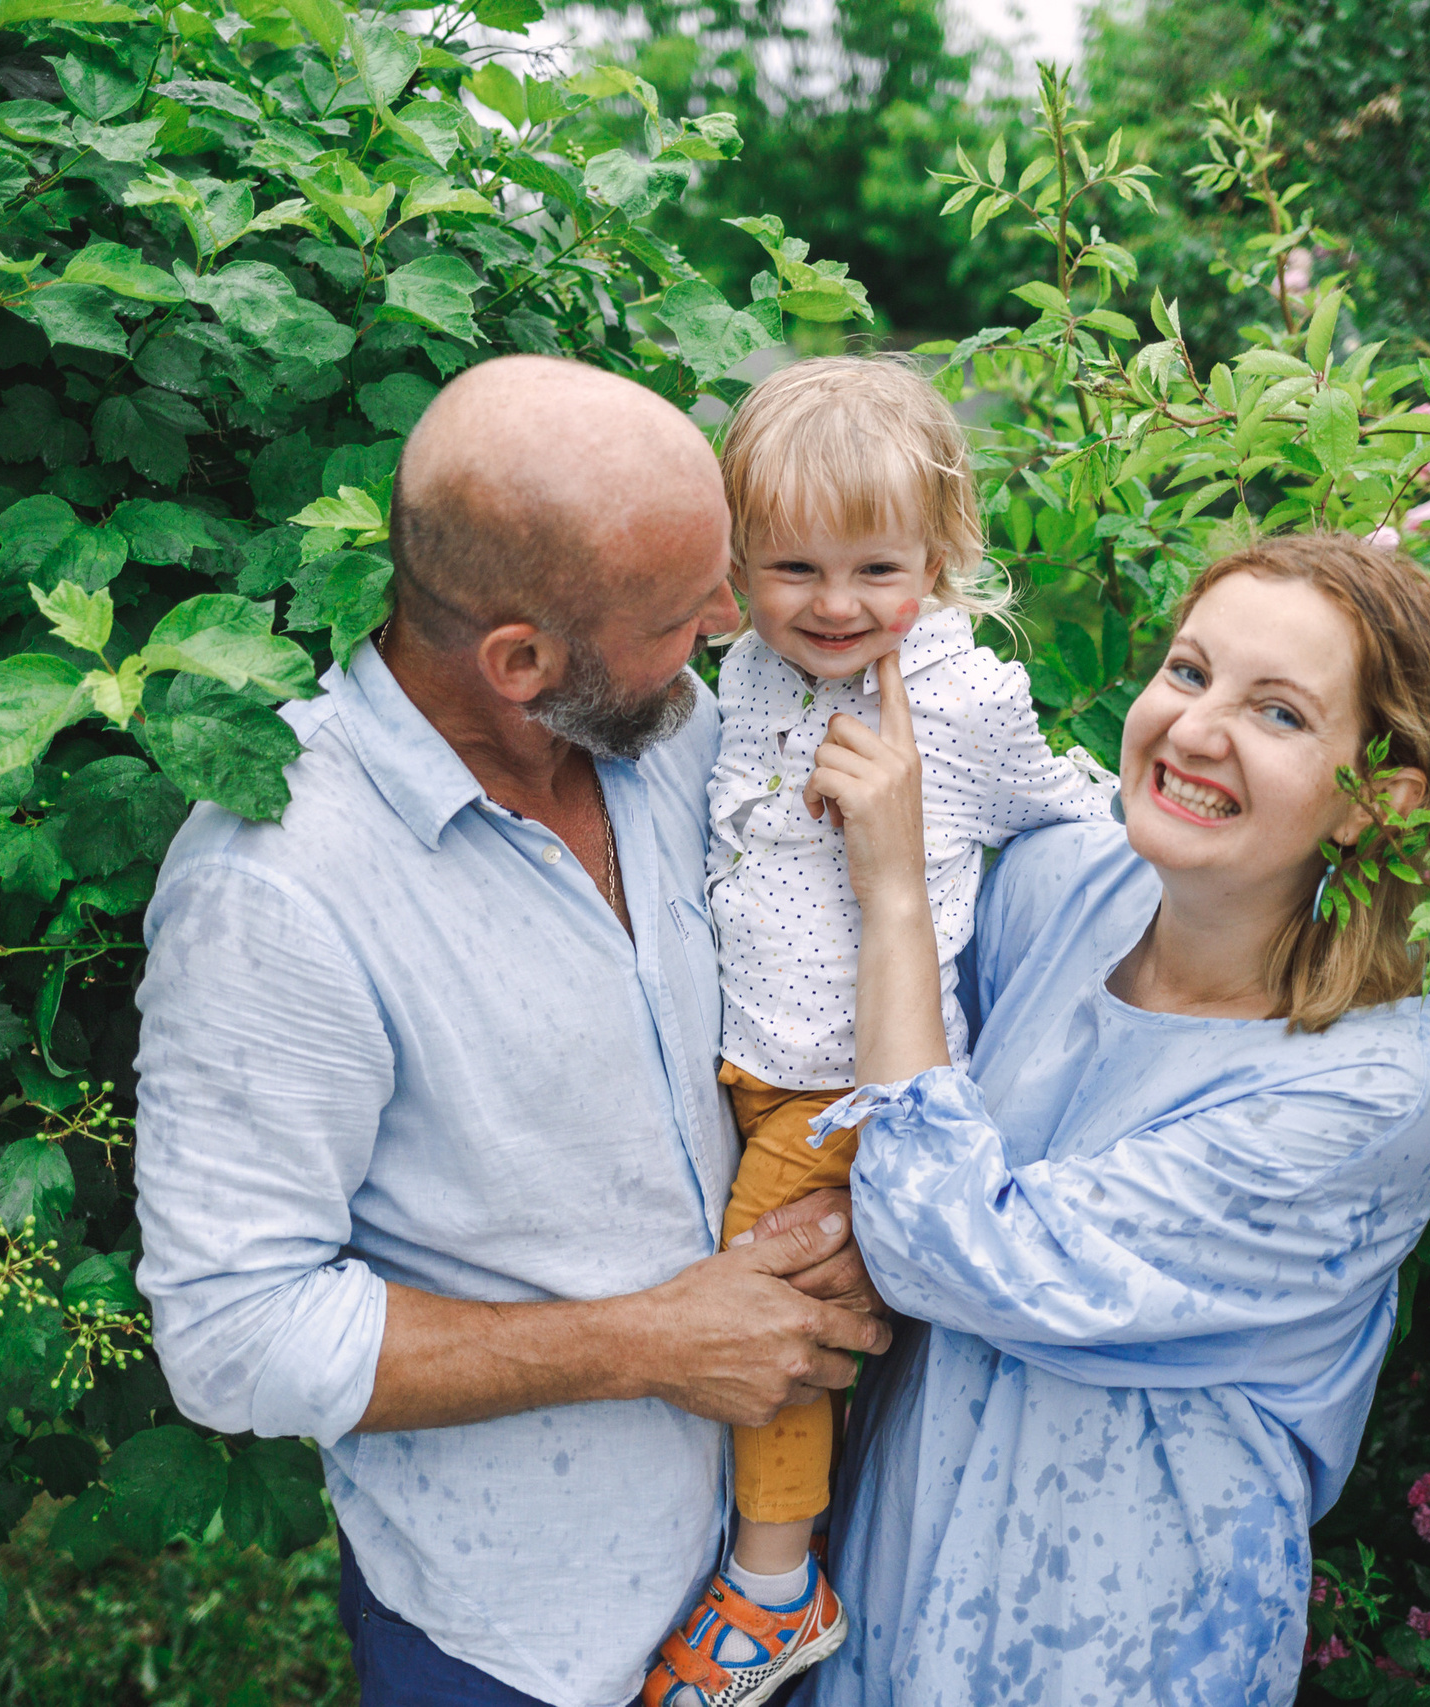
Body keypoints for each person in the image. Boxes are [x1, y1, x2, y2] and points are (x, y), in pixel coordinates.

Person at [131, 354, 891, 1707]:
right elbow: (235, 1330)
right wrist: (652, 1339)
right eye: (678, 612)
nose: (730, 621)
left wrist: (837, 1244)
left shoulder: (666, 731)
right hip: (521, 1639)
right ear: (520, 659)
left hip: (777, 1574)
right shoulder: (280, 889)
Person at [796, 535, 1430, 1705]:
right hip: (899, 1569)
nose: (1196, 730)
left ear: (1379, 797)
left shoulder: (1362, 1093)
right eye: (1186, 671)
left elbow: (946, 1243)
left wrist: (898, 897)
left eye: (1275, 713)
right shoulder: (1062, 887)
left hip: (1122, 1634)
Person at [644, 358, 1115, 1707]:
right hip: (751, 1058)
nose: (838, 605)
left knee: (768, 1294)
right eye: (794, 566)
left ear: (942, 554)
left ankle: (775, 1583)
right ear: (738, 563)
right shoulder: (744, 668)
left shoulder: (958, 698)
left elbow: (1065, 813)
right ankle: (791, 1529)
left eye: (877, 568)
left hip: (848, 1082)